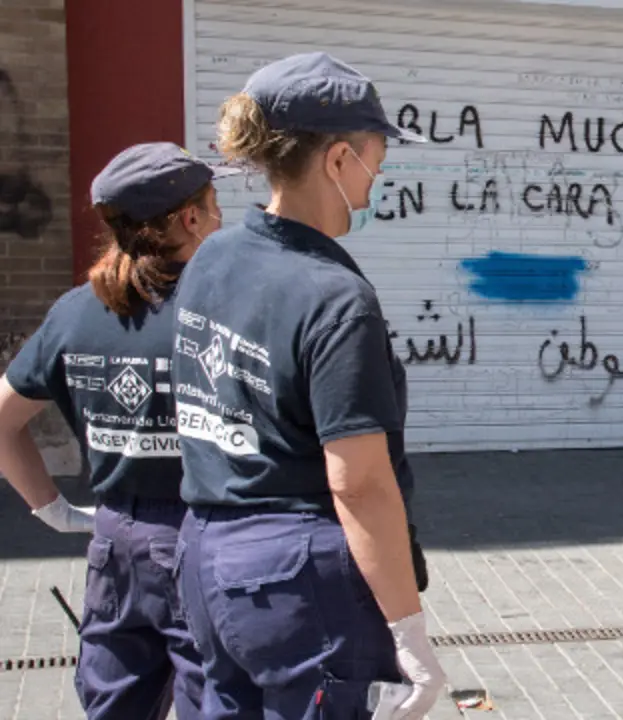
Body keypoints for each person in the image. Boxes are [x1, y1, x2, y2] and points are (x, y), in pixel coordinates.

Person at [168, 52, 446, 718]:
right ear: (339, 158)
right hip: (298, 586)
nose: (379, 173)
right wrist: (410, 632)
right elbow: (359, 483)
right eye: (377, 152)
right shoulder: (336, 298)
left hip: (206, 560)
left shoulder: (214, 255)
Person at [0, 142, 230, 719]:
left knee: (115, 705)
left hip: (116, 544)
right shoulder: (223, 311)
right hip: (205, 535)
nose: (223, 217)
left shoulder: (76, 311)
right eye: (215, 203)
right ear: (191, 218)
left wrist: (52, 509)